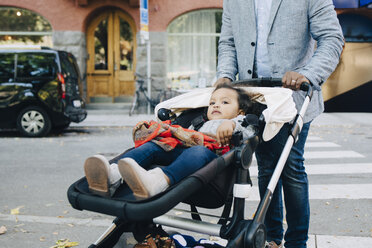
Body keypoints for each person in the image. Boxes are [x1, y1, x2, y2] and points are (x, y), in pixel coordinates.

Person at [216, 0, 344, 247]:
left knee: (291, 167)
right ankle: (272, 236)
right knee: (266, 167)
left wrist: (308, 73)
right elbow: (228, 43)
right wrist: (225, 75)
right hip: (253, 98)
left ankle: (297, 241)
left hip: (294, 97)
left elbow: (331, 39)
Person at [84, 84, 256, 199]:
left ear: (240, 111)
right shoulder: (199, 122)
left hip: (213, 168)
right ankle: (112, 175)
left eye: (225, 102)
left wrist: (232, 123)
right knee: (156, 145)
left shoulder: (239, 122)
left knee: (199, 151)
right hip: (183, 157)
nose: (216, 105)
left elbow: (250, 132)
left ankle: (157, 182)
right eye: (212, 102)